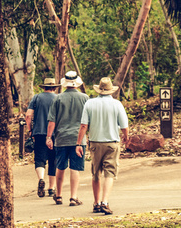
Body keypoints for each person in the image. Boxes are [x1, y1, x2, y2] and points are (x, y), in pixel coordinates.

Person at [76, 77, 129, 215]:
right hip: (112, 143)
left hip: (95, 143)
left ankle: (96, 202)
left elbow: (83, 126)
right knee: (109, 173)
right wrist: (126, 138)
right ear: (111, 90)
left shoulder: (90, 104)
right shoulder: (117, 104)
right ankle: (105, 202)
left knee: (96, 173)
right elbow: (124, 126)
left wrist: (78, 143)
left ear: (99, 90)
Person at [46, 71, 89, 206]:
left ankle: (58, 195)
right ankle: (73, 197)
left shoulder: (57, 99)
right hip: (78, 139)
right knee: (74, 168)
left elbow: (52, 121)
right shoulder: (85, 98)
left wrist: (48, 137)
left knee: (60, 167)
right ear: (76, 83)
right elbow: (88, 121)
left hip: (61, 138)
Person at [25, 78, 60, 198]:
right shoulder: (58, 98)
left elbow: (28, 115)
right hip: (55, 133)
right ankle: (51, 188)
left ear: (43, 87)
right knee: (53, 159)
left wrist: (30, 130)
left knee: (40, 158)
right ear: (54, 87)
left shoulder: (37, 97)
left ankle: (41, 179)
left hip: (39, 133)